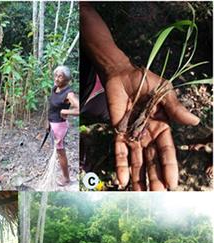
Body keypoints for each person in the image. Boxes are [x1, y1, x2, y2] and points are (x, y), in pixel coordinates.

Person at [80, 3, 201, 191]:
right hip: (80, 103)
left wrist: (115, 66)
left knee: (110, 113)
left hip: (94, 84)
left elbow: (78, 8)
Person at [48, 65, 80, 186]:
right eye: (56, 75)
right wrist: (47, 123)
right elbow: (51, 106)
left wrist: (66, 111)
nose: (56, 78)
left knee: (61, 151)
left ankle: (66, 178)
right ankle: (63, 174)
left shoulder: (69, 93)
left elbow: (79, 109)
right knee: (58, 151)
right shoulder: (55, 88)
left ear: (67, 79)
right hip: (52, 124)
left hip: (59, 126)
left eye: (60, 76)